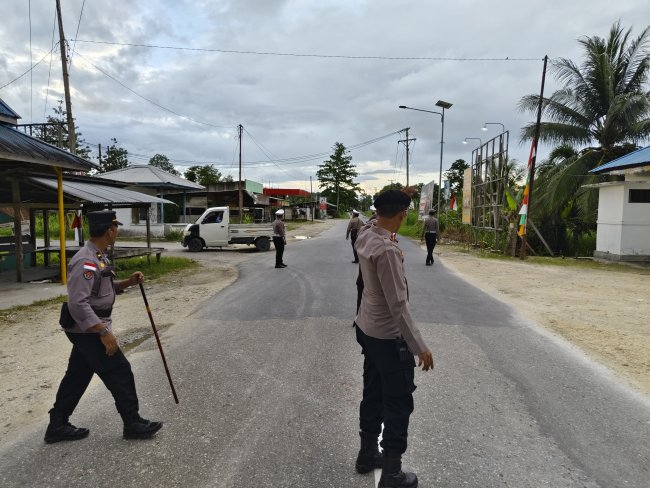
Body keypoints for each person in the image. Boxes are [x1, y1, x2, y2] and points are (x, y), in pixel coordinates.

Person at [44, 210, 162, 444]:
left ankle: (57, 424)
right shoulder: (86, 261)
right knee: (120, 371)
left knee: (77, 375)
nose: (116, 231)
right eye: (115, 227)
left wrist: (127, 283)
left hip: (85, 329)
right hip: (88, 330)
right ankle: (133, 423)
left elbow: (101, 290)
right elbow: (78, 303)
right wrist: (103, 332)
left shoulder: (98, 256)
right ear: (109, 230)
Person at [354, 190, 434, 488]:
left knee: (373, 392)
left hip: (367, 330)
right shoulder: (386, 251)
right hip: (388, 337)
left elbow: (373, 219)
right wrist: (420, 347)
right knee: (398, 403)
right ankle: (391, 474)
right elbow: (398, 305)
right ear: (402, 214)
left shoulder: (366, 234)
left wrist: (397, 196)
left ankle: (366, 455)